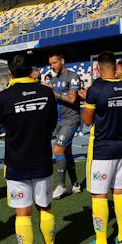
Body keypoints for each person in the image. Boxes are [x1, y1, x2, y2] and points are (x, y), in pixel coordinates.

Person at [0, 54, 61, 244]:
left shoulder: (3, 96)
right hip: (42, 159)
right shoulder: (46, 92)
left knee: (23, 213)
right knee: (45, 207)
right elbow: (52, 124)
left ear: (9, 73)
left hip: (17, 161)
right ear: (31, 71)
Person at [77, 51, 122, 244]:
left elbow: (87, 121)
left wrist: (86, 100)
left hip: (101, 148)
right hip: (121, 146)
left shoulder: (96, 89)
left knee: (99, 195)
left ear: (99, 68)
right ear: (115, 66)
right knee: (119, 192)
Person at [45, 53, 81, 199]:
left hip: (71, 120)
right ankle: (76, 184)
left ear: (62, 61)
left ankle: (62, 186)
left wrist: (54, 94)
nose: (53, 66)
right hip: (59, 121)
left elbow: (72, 99)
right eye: (51, 64)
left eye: (55, 63)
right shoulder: (53, 79)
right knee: (67, 153)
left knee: (57, 150)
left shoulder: (72, 76)